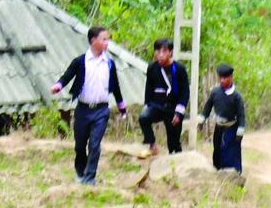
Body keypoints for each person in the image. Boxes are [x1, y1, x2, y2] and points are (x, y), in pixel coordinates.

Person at [50, 26, 128, 185]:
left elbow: (116, 87)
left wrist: (122, 108)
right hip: (83, 109)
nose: (107, 42)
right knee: (80, 145)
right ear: (94, 41)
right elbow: (67, 76)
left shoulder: (109, 63)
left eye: (108, 39)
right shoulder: (81, 61)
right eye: (104, 39)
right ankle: (80, 171)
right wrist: (58, 85)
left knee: (94, 144)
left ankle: (90, 177)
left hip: (101, 110)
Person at [138, 38, 189, 158]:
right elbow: (149, 87)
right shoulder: (152, 67)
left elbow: (185, 91)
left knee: (174, 143)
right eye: (158, 51)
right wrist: (147, 105)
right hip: (157, 105)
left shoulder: (179, 68)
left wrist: (179, 111)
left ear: (170, 52)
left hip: (173, 108)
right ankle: (152, 145)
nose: (160, 55)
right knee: (144, 117)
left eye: (164, 51)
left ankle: (176, 162)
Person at [197, 64, 246, 173]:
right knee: (217, 150)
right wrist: (201, 121)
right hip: (219, 127)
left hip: (232, 127)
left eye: (225, 78)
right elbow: (207, 107)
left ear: (231, 77)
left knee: (230, 151)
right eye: (220, 78)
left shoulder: (236, 96)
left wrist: (240, 131)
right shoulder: (215, 92)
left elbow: (241, 115)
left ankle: (234, 175)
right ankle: (217, 172)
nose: (222, 80)